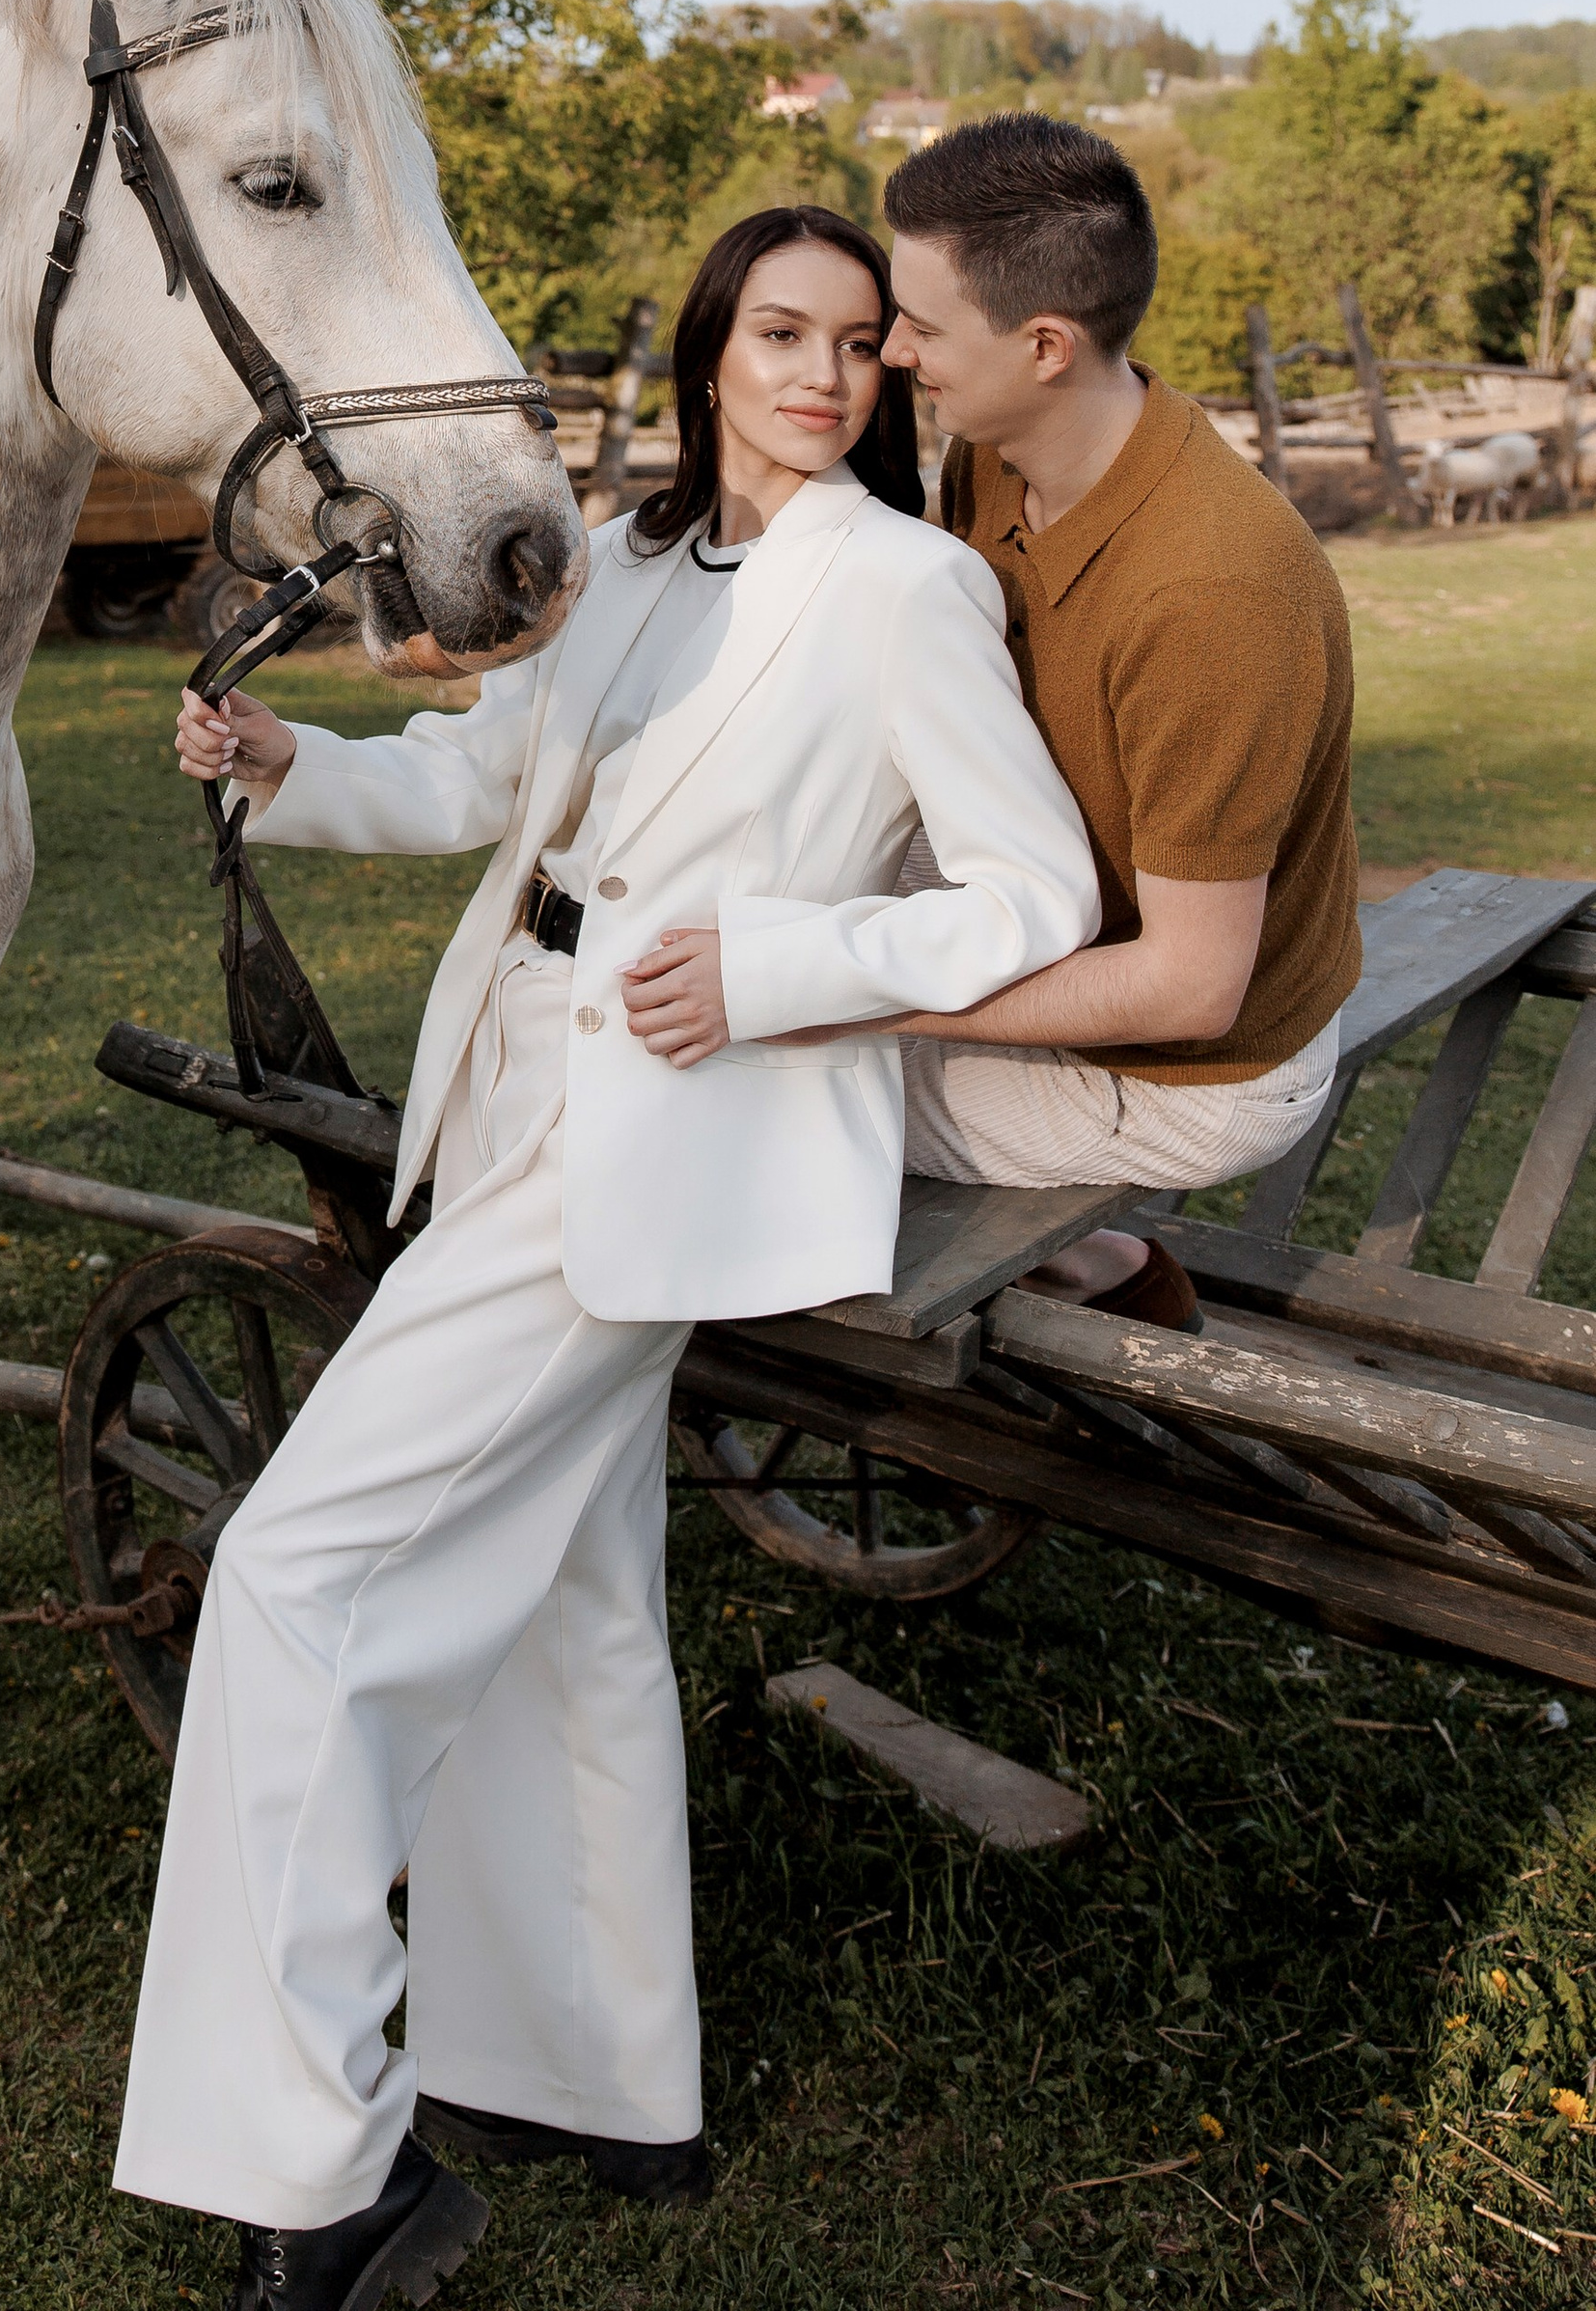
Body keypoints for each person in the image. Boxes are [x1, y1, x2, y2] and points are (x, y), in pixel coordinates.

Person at [112, 205, 1101, 2311]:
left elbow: (1028, 899)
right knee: (563, 1601)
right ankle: (588, 2073)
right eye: (780, 332)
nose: (819, 373)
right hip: (508, 1083)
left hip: (669, 1132)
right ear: (710, 348)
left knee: (296, 1575)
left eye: (857, 342)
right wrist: (289, 765)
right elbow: (485, 780)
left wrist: (769, 965)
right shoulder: (622, 565)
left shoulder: (908, 589)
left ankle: (318, 2170)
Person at [873, 112, 1362, 1314]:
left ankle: (1102, 1271)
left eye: (922, 325)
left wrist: (838, 995)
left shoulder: (1211, 597)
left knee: (753, 1073)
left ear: (1045, 344)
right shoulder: (995, 452)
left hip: (1191, 1072)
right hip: (1062, 913)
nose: (890, 350)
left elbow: (1189, 990)